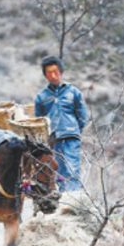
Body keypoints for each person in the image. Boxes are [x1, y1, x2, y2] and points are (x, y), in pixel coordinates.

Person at [35, 55, 88, 192]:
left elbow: (82, 116)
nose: (53, 75)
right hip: (53, 138)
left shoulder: (73, 92)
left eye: (55, 71)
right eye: (49, 72)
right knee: (56, 169)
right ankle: (61, 199)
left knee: (72, 167)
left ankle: (74, 199)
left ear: (61, 72)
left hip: (70, 136)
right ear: (45, 75)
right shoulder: (42, 97)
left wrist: (75, 131)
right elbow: (38, 120)